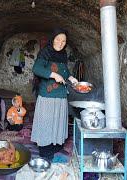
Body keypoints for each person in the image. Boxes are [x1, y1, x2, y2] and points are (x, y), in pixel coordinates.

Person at [31, 28, 78, 160]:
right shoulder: (45, 52)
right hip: (48, 95)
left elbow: (64, 71)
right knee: (47, 121)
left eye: (64, 41)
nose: (61, 43)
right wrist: (53, 75)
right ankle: (45, 148)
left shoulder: (63, 54)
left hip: (61, 95)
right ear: (53, 39)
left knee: (57, 121)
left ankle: (55, 143)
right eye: (58, 39)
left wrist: (71, 78)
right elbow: (37, 69)